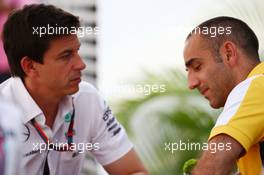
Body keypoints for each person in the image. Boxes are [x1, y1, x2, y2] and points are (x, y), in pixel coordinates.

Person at [0, 4, 148, 175]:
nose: (81, 64)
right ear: (30, 66)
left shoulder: (87, 99)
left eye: (77, 51)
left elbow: (133, 172)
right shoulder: (3, 113)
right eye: (66, 56)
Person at [183, 16, 264, 175]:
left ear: (228, 53)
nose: (191, 83)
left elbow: (212, 167)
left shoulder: (258, 86)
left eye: (197, 67)